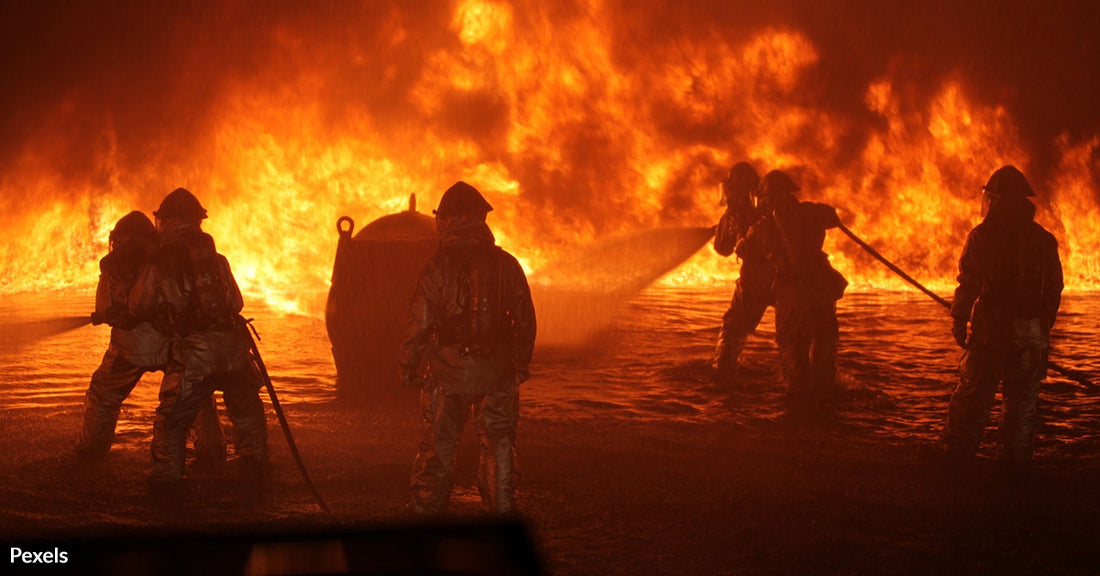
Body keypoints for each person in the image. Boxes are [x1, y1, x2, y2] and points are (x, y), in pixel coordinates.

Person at [401, 181, 536, 514]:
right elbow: (526, 322)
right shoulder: (507, 265)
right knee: (499, 445)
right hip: (498, 374)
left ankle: (426, 521)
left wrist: (408, 366)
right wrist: (519, 365)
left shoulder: (436, 266)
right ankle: (502, 518)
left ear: (447, 219)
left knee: (438, 447)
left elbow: (419, 324)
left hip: (447, 374)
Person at [130, 188, 268, 489]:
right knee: (247, 413)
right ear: (198, 221)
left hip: (196, 354)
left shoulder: (159, 260)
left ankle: (166, 490)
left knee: (173, 421)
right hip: (234, 348)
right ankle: (258, 480)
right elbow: (236, 304)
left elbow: (139, 305)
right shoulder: (216, 258)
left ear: (164, 221)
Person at [76, 211, 225, 465]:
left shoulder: (114, 263)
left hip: (130, 347)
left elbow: (105, 308)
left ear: (118, 238)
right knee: (196, 394)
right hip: (174, 344)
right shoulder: (166, 256)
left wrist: (112, 314)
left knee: (103, 393)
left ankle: (90, 454)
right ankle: (213, 453)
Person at [941, 165, 1063, 468]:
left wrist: (958, 320)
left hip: (991, 333)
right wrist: (1042, 327)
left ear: (995, 199)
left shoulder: (982, 236)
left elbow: (968, 283)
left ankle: (956, 462)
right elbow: (1055, 288)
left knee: (973, 399)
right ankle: (1013, 466)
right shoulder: (1044, 240)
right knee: (1021, 406)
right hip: (1031, 336)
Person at [736, 170, 846, 419]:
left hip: (793, 293)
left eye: (763, 198)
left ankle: (799, 409)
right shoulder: (811, 212)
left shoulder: (763, 227)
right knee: (824, 341)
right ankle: (826, 398)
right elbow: (831, 216)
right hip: (821, 288)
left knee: (792, 348)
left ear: (767, 197)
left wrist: (742, 237)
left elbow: (744, 248)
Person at [712, 161, 772, 384]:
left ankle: (723, 375)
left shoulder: (734, 213)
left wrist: (723, 224)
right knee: (796, 339)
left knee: (733, 328)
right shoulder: (770, 206)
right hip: (785, 278)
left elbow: (722, 248)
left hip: (755, 280)